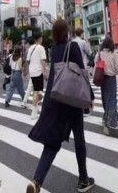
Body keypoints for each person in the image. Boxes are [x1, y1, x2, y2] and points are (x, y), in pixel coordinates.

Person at [26, 19, 95, 193]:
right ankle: (83, 180)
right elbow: (81, 71)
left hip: (55, 98)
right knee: (79, 139)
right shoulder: (72, 47)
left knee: (52, 144)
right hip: (71, 100)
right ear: (66, 32)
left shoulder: (54, 49)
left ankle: (36, 181)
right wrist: (90, 96)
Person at [98, 37, 118, 136]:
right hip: (110, 78)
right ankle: (109, 122)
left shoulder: (99, 53)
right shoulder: (114, 55)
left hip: (101, 78)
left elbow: (96, 65)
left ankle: (109, 118)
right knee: (111, 100)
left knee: (105, 99)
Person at [26, 33, 47, 120]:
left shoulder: (30, 48)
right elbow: (43, 61)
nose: (42, 39)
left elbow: (27, 61)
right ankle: (34, 112)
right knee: (36, 92)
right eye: (41, 37)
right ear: (39, 38)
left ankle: (36, 107)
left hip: (32, 72)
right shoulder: (40, 48)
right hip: (38, 71)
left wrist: (30, 70)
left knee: (37, 91)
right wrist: (45, 71)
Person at [72, 28, 92, 116]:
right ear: (82, 33)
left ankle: (76, 108)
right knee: (85, 87)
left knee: (76, 87)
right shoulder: (83, 42)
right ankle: (86, 110)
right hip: (82, 66)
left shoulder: (71, 42)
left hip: (73, 67)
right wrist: (88, 43)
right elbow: (89, 52)